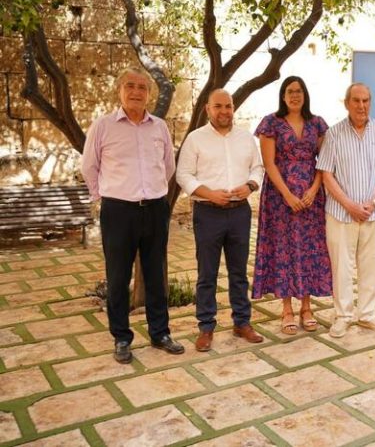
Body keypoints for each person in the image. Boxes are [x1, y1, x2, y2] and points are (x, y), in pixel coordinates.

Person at [81, 67, 184, 364]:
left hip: (153, 208)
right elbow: (90, 166)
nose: (137, 92)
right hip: (118, 211)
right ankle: (122, 338)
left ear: (149, 94)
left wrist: (154, 192)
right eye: (130, 86)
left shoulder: (159, 127)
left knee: (154, 273)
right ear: (119, 91)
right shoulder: (103, 126)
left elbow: (168, 166)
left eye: (142, 87)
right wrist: (106, 197)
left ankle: (160, 333)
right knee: (118, 277)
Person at [176, 88, 264, 351]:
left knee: (239, 273)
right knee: (207, 274)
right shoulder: (195, 139)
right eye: (218, 106)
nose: (224, 111)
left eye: (228, 106)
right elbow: (184, 175)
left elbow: (258, 168)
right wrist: (210, 194)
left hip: (240, 212)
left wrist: (250, 186)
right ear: (208, 109)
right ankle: (205, 327)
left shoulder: (246, 138)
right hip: (208, 213)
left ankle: (242, 322)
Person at [317, 82, 375, 338]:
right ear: (347, 103)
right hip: (341, 214)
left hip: (373, 213)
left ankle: (366, 314)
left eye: (366, 100)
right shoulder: (333, 134)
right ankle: (342, 316)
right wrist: (350, 205)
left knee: (370, 265)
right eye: (356, 101)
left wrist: (373, 202)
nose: (361, 106)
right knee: (342, 267)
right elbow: (326, 174)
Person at [252, 76, 332, 335]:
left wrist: (314, 188)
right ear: (283, 96)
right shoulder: (271, 123)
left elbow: (325, 159)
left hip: (311, 199)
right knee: (284, 250)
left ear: (305, 94)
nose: (295, 95)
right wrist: (287, 194)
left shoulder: (317, 123)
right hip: (280, 199)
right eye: (290, 91)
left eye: (299, 91)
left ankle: (307, 307)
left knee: (310, 250)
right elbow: (269, 163)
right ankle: (286, 309)